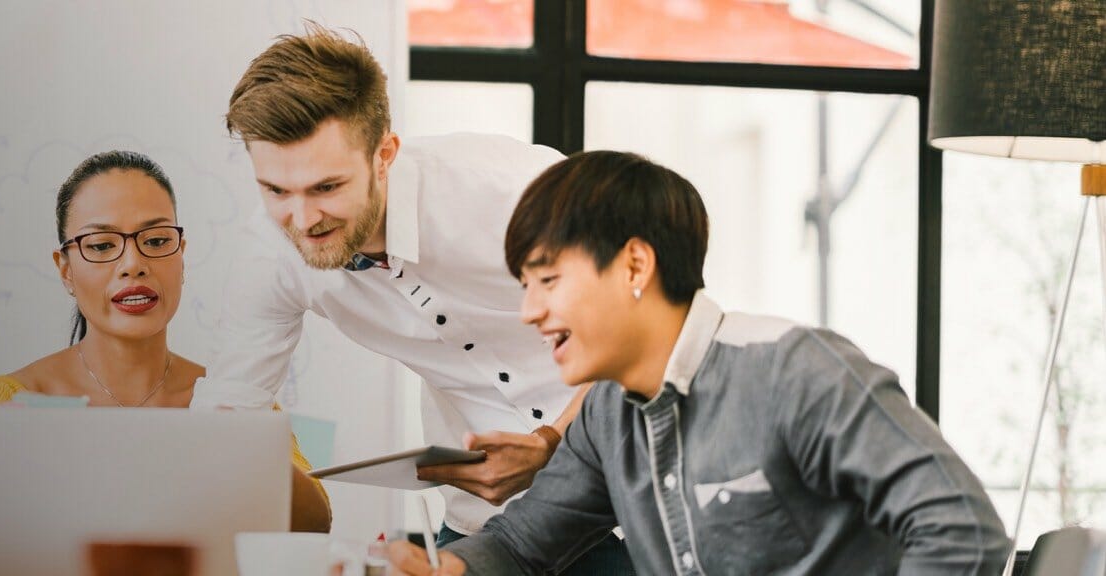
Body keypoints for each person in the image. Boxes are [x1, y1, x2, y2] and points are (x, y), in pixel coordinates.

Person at [387, 151, 1012, 575]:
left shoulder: (794, 372)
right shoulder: (607, 416)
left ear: (635, 265)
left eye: (547, 280)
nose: (529, 312)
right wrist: (448, 569)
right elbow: (523, 545)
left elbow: (962, 528)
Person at [194, 24, 629, 571]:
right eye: (276, 190)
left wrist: (549, 443)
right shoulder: (270, 254)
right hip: (492, 525)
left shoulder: (510, 188)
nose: (302, 220)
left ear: (385, 154)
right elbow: (229, 415)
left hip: (638, 492)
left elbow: (642, 331)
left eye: (327, 188)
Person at [0, 150, 332, 575]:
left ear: (182, 255)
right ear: (65, 270)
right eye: (102, 245)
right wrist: (4, 463)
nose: (133, 265)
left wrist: (236, 444)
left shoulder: (231, 394)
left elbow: (314, 525)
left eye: (156, 241)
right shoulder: (21, 398)